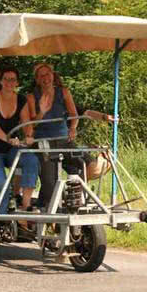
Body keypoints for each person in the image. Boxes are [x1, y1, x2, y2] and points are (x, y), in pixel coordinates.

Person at [0, 65, 40, 246]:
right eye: (6, 79)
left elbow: (27, 122)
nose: (9, 83)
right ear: (1, 81)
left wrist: (28, 136)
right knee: (2, 184)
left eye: (13, 80)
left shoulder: (21, 100)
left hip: (9, 149)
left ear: (17, 82)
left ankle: (24, 209)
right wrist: (8, 138)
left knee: (31, 159)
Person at [27, 62, 94, 206]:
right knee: (49, 183)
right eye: (41, 75)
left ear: (53, 75)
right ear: (37, 79)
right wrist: (42, 112)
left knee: (88, 163)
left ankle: (76, 197)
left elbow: (74, 114)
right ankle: (45, 208)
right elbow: (32, 124)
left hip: (64, 140)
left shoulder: (63, 92)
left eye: (48, 74)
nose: (45, 78)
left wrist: (73, 128)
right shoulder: (32, 97)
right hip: (44, 143)